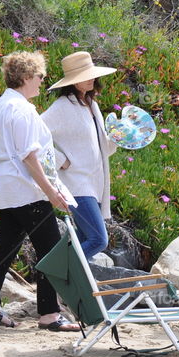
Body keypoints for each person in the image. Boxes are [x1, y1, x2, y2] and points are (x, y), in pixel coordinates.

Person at [0, 50, 80, 332]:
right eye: (40, 76)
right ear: (25, 78)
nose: (42, 82)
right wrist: (51, 191)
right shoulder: (21, 109)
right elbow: (29, 156)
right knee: (50, 249)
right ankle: (49, 314)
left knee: (5, 247)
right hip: (27, 190)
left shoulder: (1, 106)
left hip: (7, 188)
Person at [42, 51, 118, 260]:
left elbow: (104, 149)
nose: (92, 78)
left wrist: (118, 138)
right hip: (76, 184)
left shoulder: (92, 105)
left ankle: (71, 287)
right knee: (98, 240)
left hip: (95, 183)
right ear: (74, 82)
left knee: (84, 239)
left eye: (93, 74)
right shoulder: (62, 107)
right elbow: (33, 134)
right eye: (87, 76)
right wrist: (60, 160)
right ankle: (54, 267)